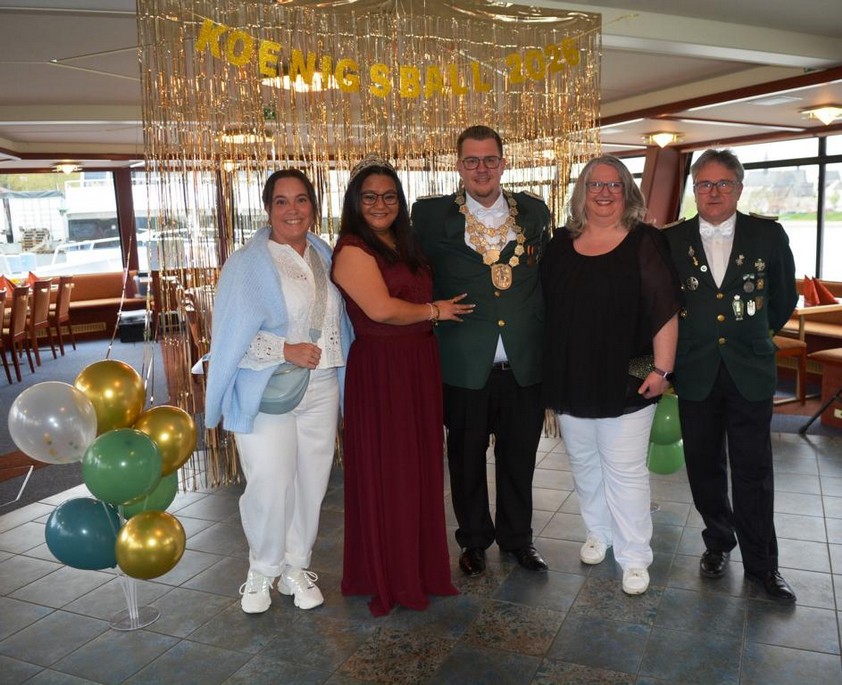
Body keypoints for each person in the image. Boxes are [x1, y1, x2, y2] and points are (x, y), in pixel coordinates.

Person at [205, 169, 352, 614]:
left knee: (311, 482)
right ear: (268, 209)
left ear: (314, 206)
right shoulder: (248, 262)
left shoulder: (325, 253)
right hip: (265, 389)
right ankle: (262, 569)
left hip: (322, 385)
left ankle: (295, 567)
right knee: (270, 482)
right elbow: (228, 335)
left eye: (301, 199)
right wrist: (284, 349)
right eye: (282, 201)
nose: (293, 210)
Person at [331, 154, 468, 616]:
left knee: (419, 470)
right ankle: (389, 575)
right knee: (392, 473)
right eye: (369, 196)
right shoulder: (353, 248)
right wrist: (435, 311)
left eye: (389, 196)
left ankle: (420, 569)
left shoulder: (404, 242)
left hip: (418, 363)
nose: (380, 204)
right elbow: (381, 310)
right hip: (382, 371)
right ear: (355, 202)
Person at [412, 125, 550, 576]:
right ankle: (473, 540)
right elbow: (410, 274)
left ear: (503, 163)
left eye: (490, 159)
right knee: (466, 460)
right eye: (471, 160)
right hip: (463, 364)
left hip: (523, 364)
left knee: (519, 459)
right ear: (458, 166)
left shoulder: (534, 212)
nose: (481, 169)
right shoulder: (430, 216)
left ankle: (518, 539)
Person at [542, 155, 681, 595]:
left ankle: (635, 556)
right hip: (571, 373)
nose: (604, 193)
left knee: (624, 470)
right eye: (595, 185)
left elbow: (664, 310)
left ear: (627, 192)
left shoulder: (646, 241)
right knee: (584, 463)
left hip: (629, 375)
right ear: (582, 193)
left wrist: (663, 369)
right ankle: (598, 533)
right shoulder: (559, 244)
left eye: (614, 185)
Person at [664, 149, 798, 602]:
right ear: (694, 189)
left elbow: (783, 298)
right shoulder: (671, 239)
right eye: (705, 184)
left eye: (724, 183)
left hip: (750, 371)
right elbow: (662, 304)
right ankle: (719, 542)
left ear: (739, 188)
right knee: (703, 465)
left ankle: (763, 565)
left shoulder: (768, 235)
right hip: (695, 370)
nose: (714, 192)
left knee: (753, 469)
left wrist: (751, 336)